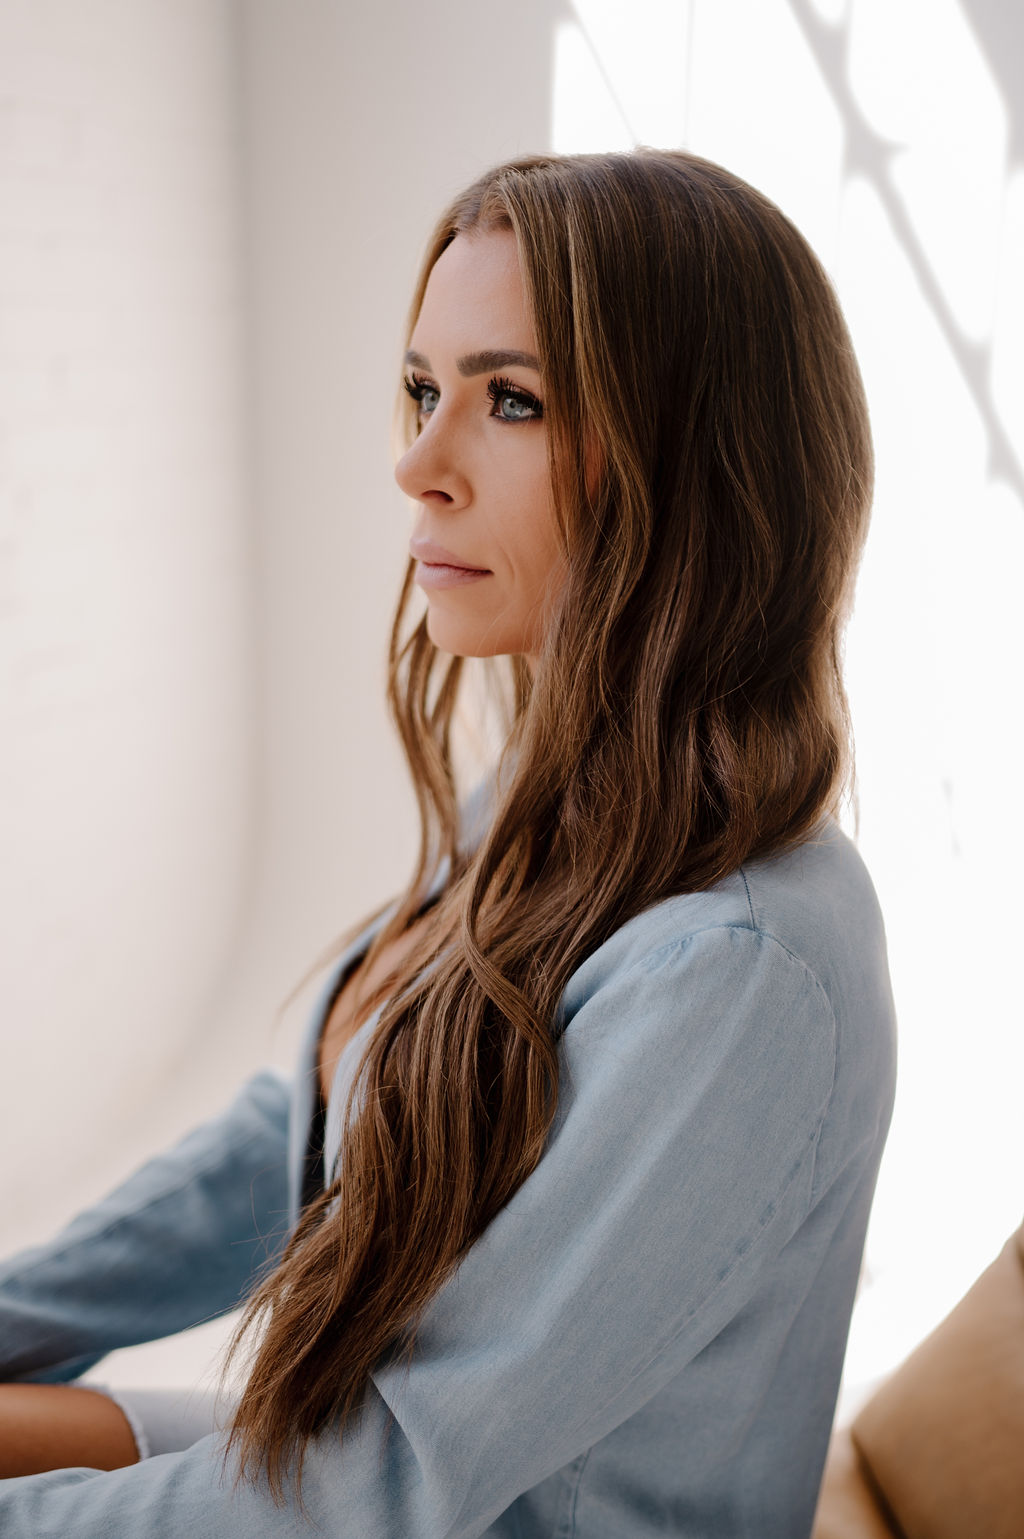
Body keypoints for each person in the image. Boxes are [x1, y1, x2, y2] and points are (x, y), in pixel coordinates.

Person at [0, 149, 896, 1537]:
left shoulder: (739, 969)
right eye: (425, 391)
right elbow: (296, 1132)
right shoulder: (559, 806)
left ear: (696, 458)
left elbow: (384, 1491)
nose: (418, 467)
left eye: (512, 402)